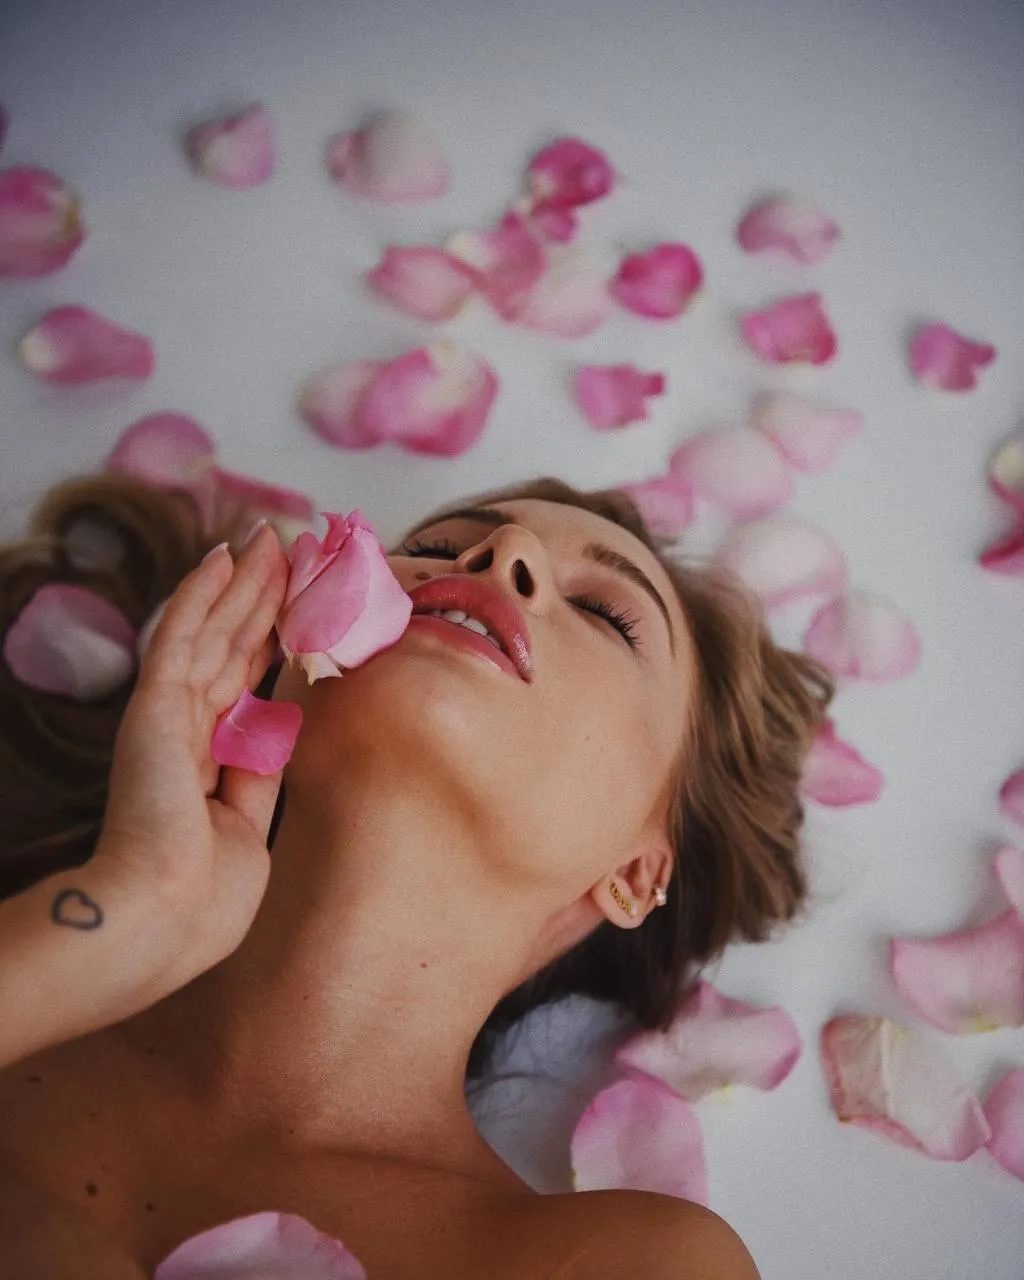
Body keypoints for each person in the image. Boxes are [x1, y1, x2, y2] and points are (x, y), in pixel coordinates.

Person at [0, 469, 833, 1278]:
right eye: (435, 545)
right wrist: (131, 905)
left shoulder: (624, 1261)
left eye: (606, 614)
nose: (502, 552)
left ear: (638, 872)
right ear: (277, 665)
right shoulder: (33, 975)